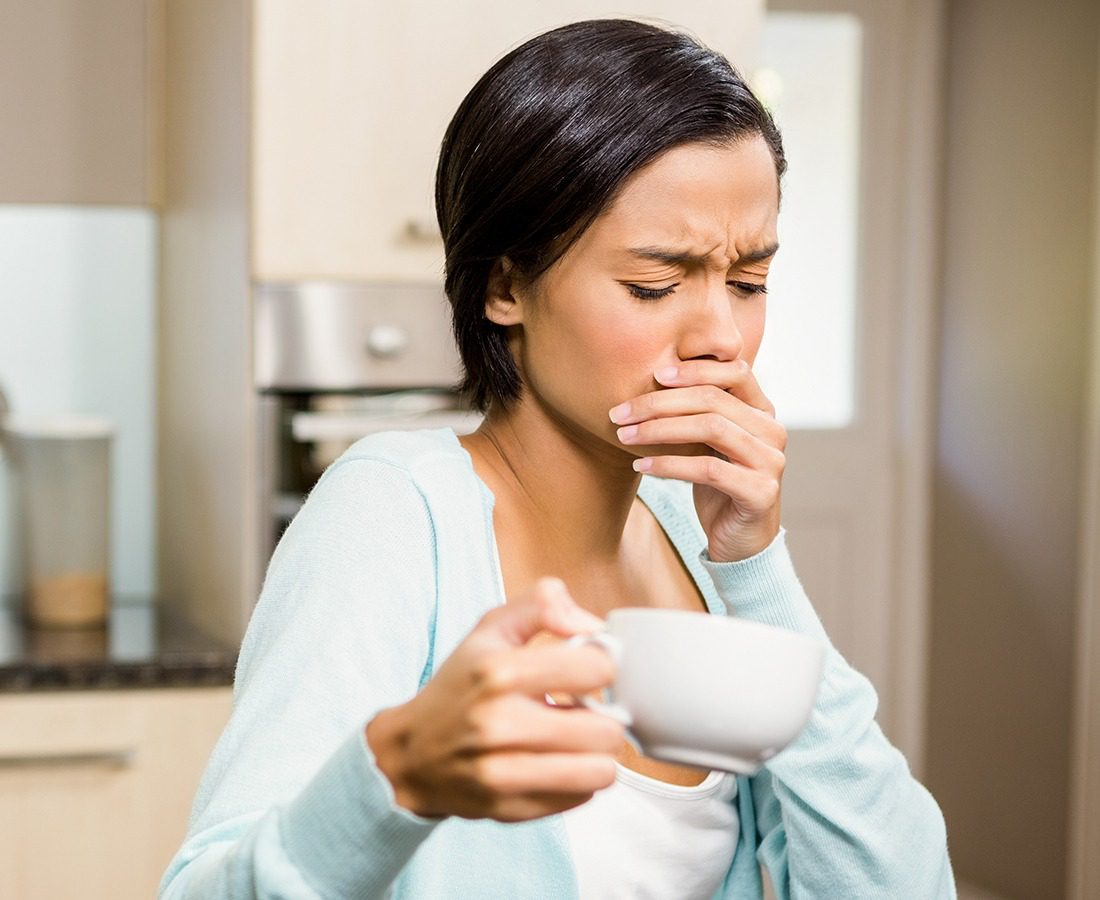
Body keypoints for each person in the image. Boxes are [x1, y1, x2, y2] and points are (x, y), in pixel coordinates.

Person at [160, 18, 955, 900]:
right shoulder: (389, 516)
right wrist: (397, 779)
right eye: (655, 285)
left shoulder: (698, 544)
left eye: (748, 282)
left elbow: (902, 882)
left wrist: (758, 570)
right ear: (506, 286)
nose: (721, 338)